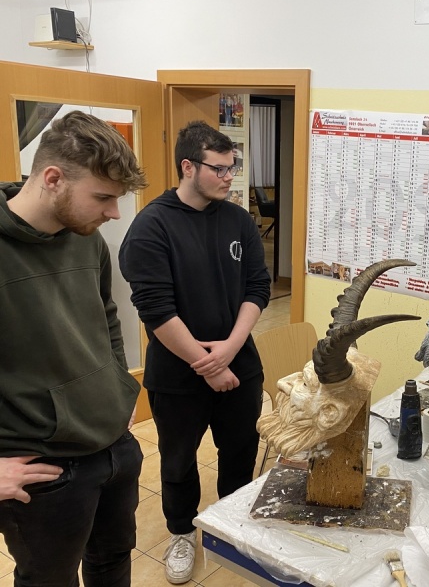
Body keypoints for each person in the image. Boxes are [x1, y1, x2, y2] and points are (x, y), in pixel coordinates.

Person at [119, 121, 270, 584]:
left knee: (240, 452)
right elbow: (156, 309)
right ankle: (182, 533)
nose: (229, 177)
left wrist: (230, 349)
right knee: (178, 460)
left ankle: (232, 527)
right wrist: (207, 365)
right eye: (219, 168)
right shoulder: (151, 226)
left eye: (232, 167)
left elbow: (257, 288)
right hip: (178, 375)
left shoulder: (238, 220)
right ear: (188, 167)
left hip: (238, 364)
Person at [0, 110, 147, 586]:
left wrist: (120, 386)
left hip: (115, 445)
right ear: (53, 179)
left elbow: (106, 316)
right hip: (42, 467)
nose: (114, 213)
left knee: (112, 560)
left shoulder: (87, 241)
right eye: (103, 197)